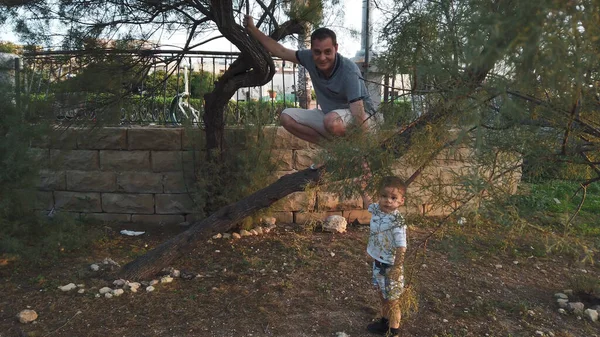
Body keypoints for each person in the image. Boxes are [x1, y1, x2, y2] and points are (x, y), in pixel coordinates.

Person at [244, 15, 379, 145]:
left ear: (336, 49)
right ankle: (334, 151)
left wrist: (364, 153)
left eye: (327, 52)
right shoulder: (308, 58)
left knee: (332, 121)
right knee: (287, 117)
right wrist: (253, 29)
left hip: (364, 120)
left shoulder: (349, 70)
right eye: (317, 52)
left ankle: (353, 152)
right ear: (312, 50)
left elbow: (358, 113)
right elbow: (281, 51)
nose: (322, 58)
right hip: (330, 118)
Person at [366, 176, 407, 337]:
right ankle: (384, 322)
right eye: (384, 196)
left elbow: (401, 246)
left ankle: (394, 330)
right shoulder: (377, 210)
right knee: (382, 295)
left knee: (393, 300)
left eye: (393, 198)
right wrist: (361, 188)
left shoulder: (397, 221)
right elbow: (367, 203)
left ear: (401, 201)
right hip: (378, 263)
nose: (388, 201)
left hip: (390, 267)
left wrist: (397, 267)